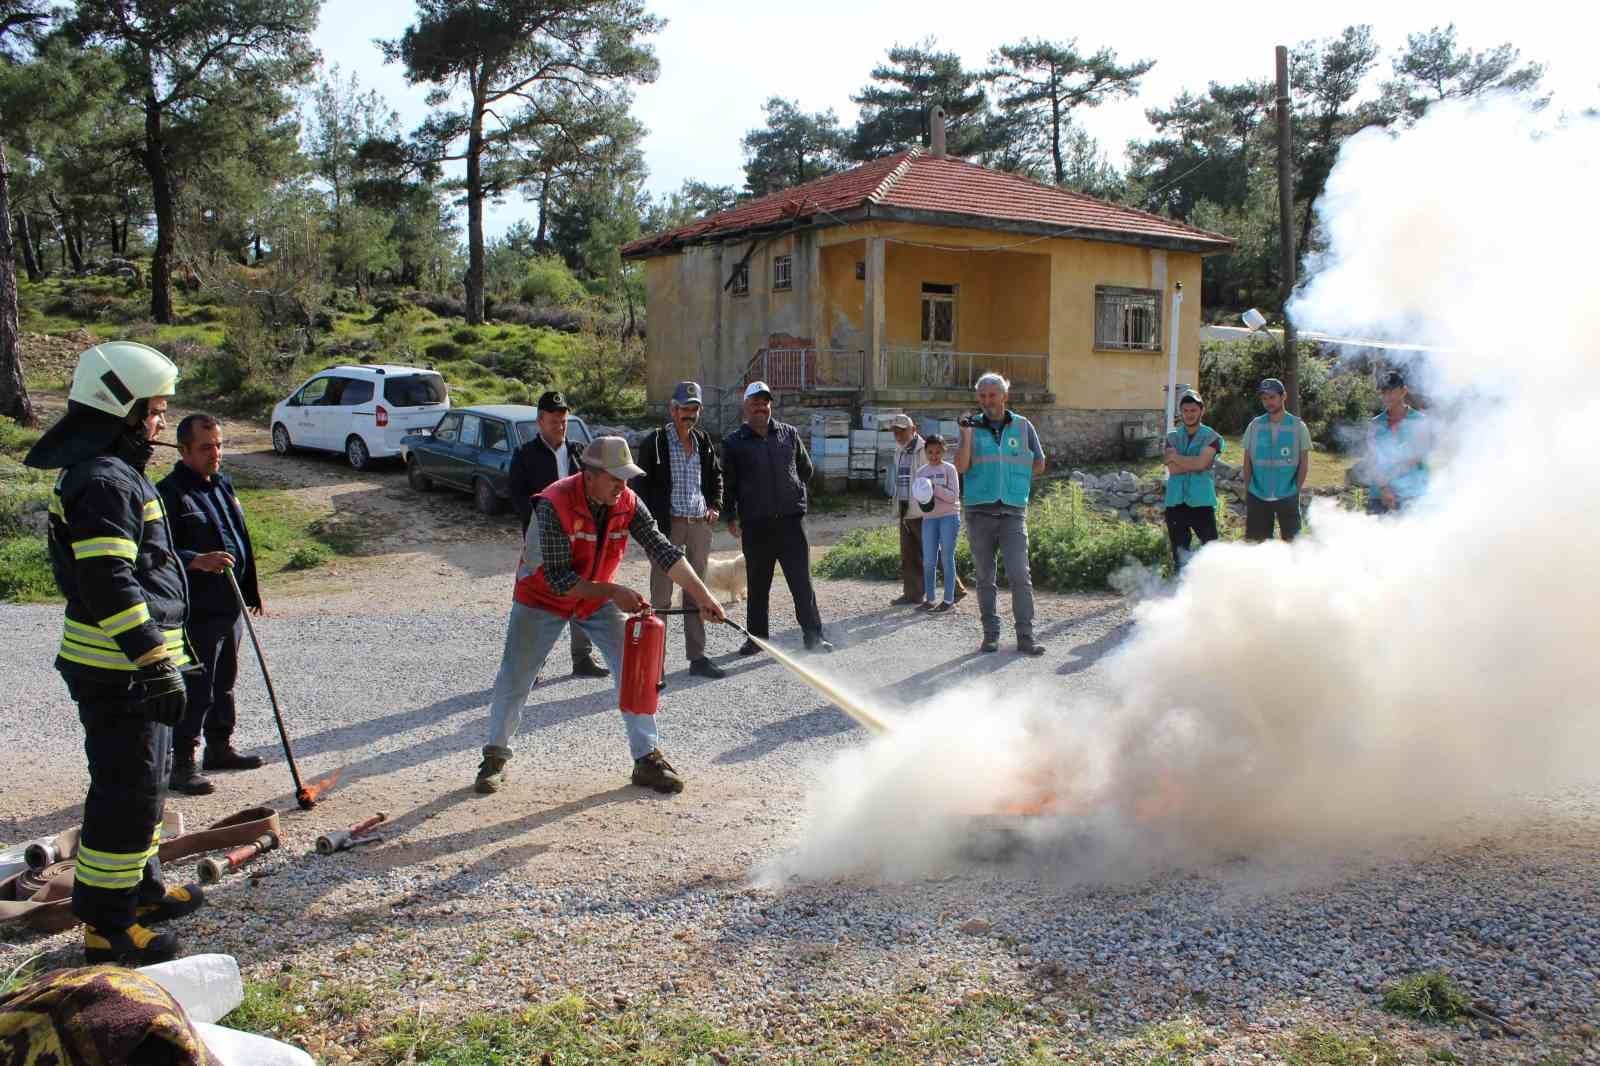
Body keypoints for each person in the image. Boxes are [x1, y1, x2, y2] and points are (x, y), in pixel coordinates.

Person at [23, 341, 206, 965]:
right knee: (125, 795)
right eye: (154, 409)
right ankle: (107, 925)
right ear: (123, 409)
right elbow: (109, 583)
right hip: (120, 671)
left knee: (146, 789)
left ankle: (143, 890)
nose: (160, 422)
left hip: (126, 668)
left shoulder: (111, 472)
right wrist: (154, 661)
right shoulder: (103, 480)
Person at [474, 437, 726, 796]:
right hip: (542, 596)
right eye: (615, 477)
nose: (623, 485)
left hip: (593, 596)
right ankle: (494, 758)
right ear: (589, 475)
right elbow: (559, 579)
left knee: (634, 668)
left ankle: (646, 758)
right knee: (516, 674)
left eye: (626, 477)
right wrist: (613, 592)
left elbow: (663, 550)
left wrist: (704, 597)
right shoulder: (553, 504)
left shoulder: (626, 501)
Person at [157, 413, 265, 797]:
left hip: (230, 604)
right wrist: (195, 559)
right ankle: (182, 764)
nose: (215, 453)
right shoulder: (168, 494)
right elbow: (154, 551)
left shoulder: (221, 486)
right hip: (195, 609)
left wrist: (251, 594)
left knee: (225, 683)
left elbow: (240, 539)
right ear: (183, 449)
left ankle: (220, 749)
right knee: (196, 686)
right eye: (206, 447)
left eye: (219, 444)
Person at [722, 382, 833, 654]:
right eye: (755, 402)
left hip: (790, 523)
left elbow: (806, 470)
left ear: (770, 404)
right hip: (755, 524)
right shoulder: (734, 442)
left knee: (801, 582)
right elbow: (729, 483)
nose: (761, 407)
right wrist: (730, 516)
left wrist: (792, 489)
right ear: (745, 406)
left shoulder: (789, 434)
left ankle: (813, 637)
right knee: (758, 585)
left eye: (765, 402)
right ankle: (757, 639)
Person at [506, 390, 607, 679]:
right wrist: (541, 529)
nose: (560, 426)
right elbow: (518, 497)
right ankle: (534, 666)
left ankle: (582, 658)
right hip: (543, 541)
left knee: (582, 595)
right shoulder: (524, 455)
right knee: (542, 603)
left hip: (580, 539)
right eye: (554, 421)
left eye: (564, 421)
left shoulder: (580, 453)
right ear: (540, 421)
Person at [631, 380, 727, 682]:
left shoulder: (703, 441)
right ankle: (655, 663)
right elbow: (639, 487)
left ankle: (697, 657)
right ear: (673, 409)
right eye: (685, 408)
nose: (690, 414)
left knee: (696, 593)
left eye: (694, 409)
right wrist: (650, 525)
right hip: (667, 526)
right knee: (661, 596)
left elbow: (716, 476)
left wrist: (715, 505)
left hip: (699, 525)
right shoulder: (655, 442)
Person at [954, 372, 1047, 656]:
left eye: (992, 395)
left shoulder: (1023, 425)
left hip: (1012, 511)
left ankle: (1025, 637)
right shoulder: (970, 426)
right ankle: (990, 636)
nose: (986, 401)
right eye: (982, 396)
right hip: (979, 510)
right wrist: (967, 435)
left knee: (1020, 575)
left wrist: (1014, 479)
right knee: (985, 577)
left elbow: (1039, 463)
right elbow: (960, 465)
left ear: (1004, 396)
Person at [1240, 378, 1312, 542]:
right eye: (1264, 398)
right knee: (1256, 547)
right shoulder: (1255, 425)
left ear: (1283, 396)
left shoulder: (1298, 426)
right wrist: (1249, 489)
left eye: (1272, 397)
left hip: (1287, 494)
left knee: (1293, 546)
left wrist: (1295, 489)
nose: (1268, 402)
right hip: (1258, 495)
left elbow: (1304, 463)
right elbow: (1247, 461)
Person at [1162, 389, 1224, 570]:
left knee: (1211, 549)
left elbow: (1202, 464)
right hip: (1175, 501)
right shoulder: (1172, 436)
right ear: (1181, 412)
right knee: (1179, 554)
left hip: (1202, 501)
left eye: (1193, 410)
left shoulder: (1212, 437)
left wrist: (1177, 458)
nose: (1189, 414)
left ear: (1201, 411)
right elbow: (1172, 469)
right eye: (1186, 410)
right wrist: (1192, 462)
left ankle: (1214, 589)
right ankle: (1181, 592)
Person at [1365, 369, 1430, 514]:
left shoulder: (1420, 421)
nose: (1387, 396)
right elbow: (1372, 459)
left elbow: (1416, 456)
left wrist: (1390, 482)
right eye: (1384, 392)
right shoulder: (1375, 424)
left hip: (1411, 494)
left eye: (1391, 391)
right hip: (1379, 496)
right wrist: (1384, 488)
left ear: (1403, 391)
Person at [885, 415, 928, 606]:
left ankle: (956, 590)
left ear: (913, 428)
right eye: (895, 431)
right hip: (904, 509)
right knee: (909, 555)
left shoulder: (926, 449)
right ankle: (913, 595)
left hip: (923, 510)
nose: (898, 434)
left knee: (933, 554)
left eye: (902, 430)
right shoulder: (899, 450)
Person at [914, 435, 960, 612]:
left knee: (947, 558)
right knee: (928, 560)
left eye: (938, 452)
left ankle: (948, 601)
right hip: (929, 518)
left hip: (949, 516)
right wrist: (922, 494)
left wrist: (934, 487)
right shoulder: (921, 472)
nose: (934, 456)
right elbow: (919, 497)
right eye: (930, 452)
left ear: (944, 451)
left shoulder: (950, 469)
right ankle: (930, 599)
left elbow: (953, 497)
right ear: (925, 452)